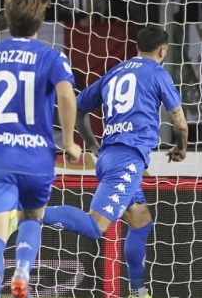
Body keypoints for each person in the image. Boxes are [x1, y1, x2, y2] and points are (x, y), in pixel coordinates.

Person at [41, 26, 188, 298]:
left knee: (141, 221)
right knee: (96, 227)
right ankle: (28, 212)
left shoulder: (114, 72)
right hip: (127, 159)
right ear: (163, 51)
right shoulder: (157, 72)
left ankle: (137, 290)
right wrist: (181, 148)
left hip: (111, 154)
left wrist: (92, 144)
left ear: (136, 47)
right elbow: (179, 121)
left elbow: (78, 106)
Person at [0, 0, 81, 298]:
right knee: (32, 217)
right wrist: (68, 141)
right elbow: (67, 96)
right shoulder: (52, 56)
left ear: (7, 16)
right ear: (40, 20)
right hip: (38, 159)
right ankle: (23, 269)